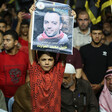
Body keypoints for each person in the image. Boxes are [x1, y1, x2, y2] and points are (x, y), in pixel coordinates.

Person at [80, 24, 112, 99]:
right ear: (90, 34)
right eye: (94, 33)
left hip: (104, 87)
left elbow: (110, 70)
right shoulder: (83, 49)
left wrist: (100, 85)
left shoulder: (108, 49)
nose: (97, 36)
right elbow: (80, 69)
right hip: (86, 87)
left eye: (99, 34)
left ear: (102, 35)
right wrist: (88, 84)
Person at [0, 30, 29, 106]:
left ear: (16, 42)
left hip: (20, 97)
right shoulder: (0, 56)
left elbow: (29, 74)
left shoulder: (25, 56)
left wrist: (25, 91)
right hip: (3, 98)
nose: (5, 43)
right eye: (4, 40)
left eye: (8, 40)